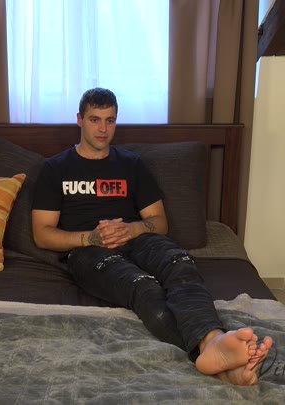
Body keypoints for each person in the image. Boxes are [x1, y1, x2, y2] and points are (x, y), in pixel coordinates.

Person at [31, 87, 272, 385]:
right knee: (144, 287)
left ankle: (213, 341)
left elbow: (160, 222)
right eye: (95, 120)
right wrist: (91, 238)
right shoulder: (55, 169)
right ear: (79, 119)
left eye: (110, 120)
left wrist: (132, 229)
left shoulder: (131, 164)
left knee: (181, 263)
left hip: (138, 240)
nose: (103, 128)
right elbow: (42, 235)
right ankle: (211, 355)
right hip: (88, 251)